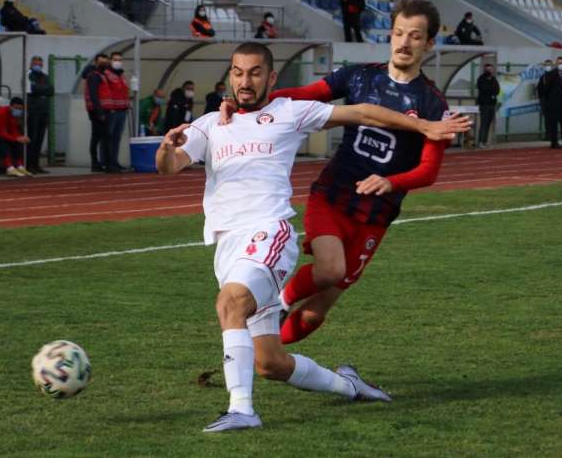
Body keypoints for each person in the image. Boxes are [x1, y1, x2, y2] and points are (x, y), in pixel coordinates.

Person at [157, 42, 469, 432]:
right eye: (238, 72)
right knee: (270, 363)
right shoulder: (209, 124)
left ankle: (242, 410)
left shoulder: (289, 111)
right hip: (228, 245)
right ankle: (350, 387)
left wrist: (424, 126)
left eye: (255, 72)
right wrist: (166, 148)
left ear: (271, 77)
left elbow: (361, 112)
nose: (245, 80)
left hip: (268, 233)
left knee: (230, 303)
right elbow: (169, 167)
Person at [218, 0, 461, 346]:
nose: (405, 43)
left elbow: (428, 171)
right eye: (398, 33)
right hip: (333, 196)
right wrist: (251, 102)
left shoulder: (433, 103)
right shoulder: (359, 76)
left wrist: (390, 181)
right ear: (390, 36)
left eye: (415, 36)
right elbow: (304, 95)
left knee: (317, 309)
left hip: (376, 215)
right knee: (331, 269)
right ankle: (279, 304)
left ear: (430, 43)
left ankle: (270, 354)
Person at [0, 97, 31, 177]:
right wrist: (16, 138)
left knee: (17, 142)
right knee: (0, 140)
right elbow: (1, 133)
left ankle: (19, 166)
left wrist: (21, 138)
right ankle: (9, 168)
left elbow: (14, 130)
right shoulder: (1, 112)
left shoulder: (13, 115)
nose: (18, 110)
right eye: (16, 108)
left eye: (20, 109)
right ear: (10, 106)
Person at [82, 53, 113, 172]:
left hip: (101, 109)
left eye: (106, 61)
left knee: (97, 137)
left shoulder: (101, 74)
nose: (104, 63)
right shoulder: (94, 75)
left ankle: (97, 163)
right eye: (101, 61)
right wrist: (100, 112)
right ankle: (105, 164)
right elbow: (94, 94)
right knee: (103, 137)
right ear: (96, 62)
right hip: (98, 110)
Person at [537, 57, 562, 149]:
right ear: (556, 65)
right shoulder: (551, 74)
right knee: (553, 124)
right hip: (553, 104)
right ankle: (554, 142)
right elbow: (544, 88)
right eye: (560, 63)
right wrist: (547, 100)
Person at [26, 56, 54, 174]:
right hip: (33, 111)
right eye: (35, 63)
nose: (38, 65)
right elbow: (32, 89)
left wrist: (40, 89)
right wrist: (44, 89)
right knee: (32, 138)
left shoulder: (45, 76)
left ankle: (36, 164)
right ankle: (29, 165)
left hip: (44, 111)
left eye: (40, 63)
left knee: (40, 139)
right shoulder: (28, 75)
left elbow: (51, 90)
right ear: (31, 64)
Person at [104, 52, 130, 171]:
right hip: (112, 110)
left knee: (117, 137)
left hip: (122, 109)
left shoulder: (121, 75)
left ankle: (114, 161)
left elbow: (124, 91)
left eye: (120, 60)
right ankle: (107, 162)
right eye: (115, 59)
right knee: (108, 137)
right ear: (110, 61)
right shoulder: (106, 74)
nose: (118, 62)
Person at [476, 63, 500, 148]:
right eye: (488, 69)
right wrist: (491, 91)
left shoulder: (493, 79)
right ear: (484, 70)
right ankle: (480, 142)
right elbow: (484, 88)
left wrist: (492, 91)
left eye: (490, 69)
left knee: (488, 123)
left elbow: (497, 90)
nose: (489, 71)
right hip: (484, 104)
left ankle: (485, 141)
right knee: (484, 123)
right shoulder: (481, 79)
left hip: (492, 104)